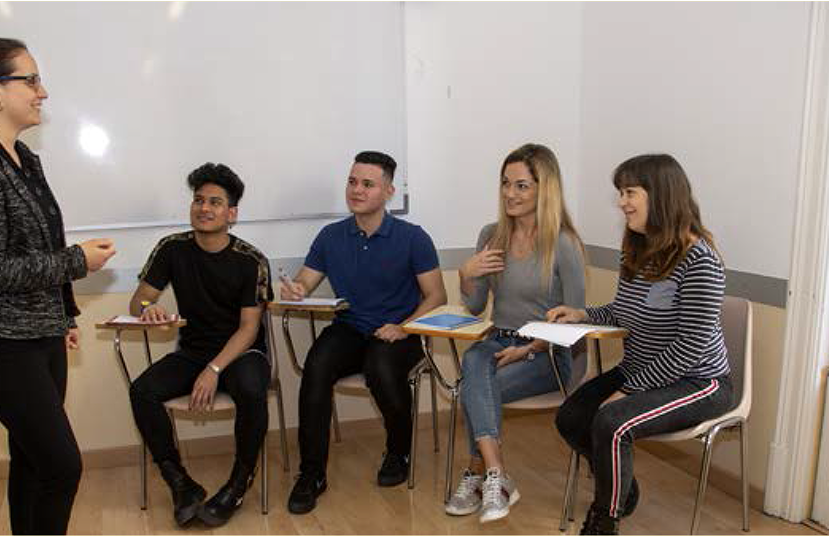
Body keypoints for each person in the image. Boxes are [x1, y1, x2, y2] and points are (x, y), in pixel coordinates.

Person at [0, 38, 116, 535]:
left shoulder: (24, 158)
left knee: (32, 459)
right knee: (62, 465)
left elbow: (39, 242)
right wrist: (77, 262)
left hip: (40, 335)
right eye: (30, 80)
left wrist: (65, 315)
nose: (43, 92)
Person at [548, 154, 734, 535]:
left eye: (630, 192)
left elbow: (690, 347)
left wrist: (630, 391)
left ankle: (605, 518)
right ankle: (623, 489)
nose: (622, 202)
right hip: (642, 372)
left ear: (661, 195)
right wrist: (582, 313)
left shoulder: (700, 261)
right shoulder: (637, 250)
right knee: (571, 417)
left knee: (613, 421)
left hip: (699, 383)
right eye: (620, 192)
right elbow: (624, 311)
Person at [281, 151, 447, 514]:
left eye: (367, 184)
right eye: (352, 181)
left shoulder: (413, 238)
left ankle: (398, 451)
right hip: (351, 327)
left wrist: (404, 328)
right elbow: (304, 283)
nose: (356, 190)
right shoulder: (330, 236)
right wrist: (294, 290)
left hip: (401, 332)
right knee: (317, 366)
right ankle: (312, 474)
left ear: (388, 191)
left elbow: (437, 296)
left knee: (381, 368)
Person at [127, 163, 273, 528]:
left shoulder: (250, 260)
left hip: (242, 353)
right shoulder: (171, 248)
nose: (204, 208)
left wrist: (214, 370)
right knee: (142, 391)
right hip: (193, 351)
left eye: (215, 202)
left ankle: (239, 483)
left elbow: (249, 328)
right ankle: (180, 483)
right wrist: (149, 308)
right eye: (198, 200)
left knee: (253, 388)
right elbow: (137, 302)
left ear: (232, 213)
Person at [447, 144, 586, 523]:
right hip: (499, 340)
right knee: (477, 365)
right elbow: (475, 308)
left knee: (474, 386)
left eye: (522, 185)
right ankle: (496, 474)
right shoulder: (491, 235)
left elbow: (578, 323)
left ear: (545, 189)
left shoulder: (563, 243)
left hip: (551, 352)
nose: (510, 193)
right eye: (506, 184)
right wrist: (466, 275)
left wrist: (531, 349)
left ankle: (479, 474)